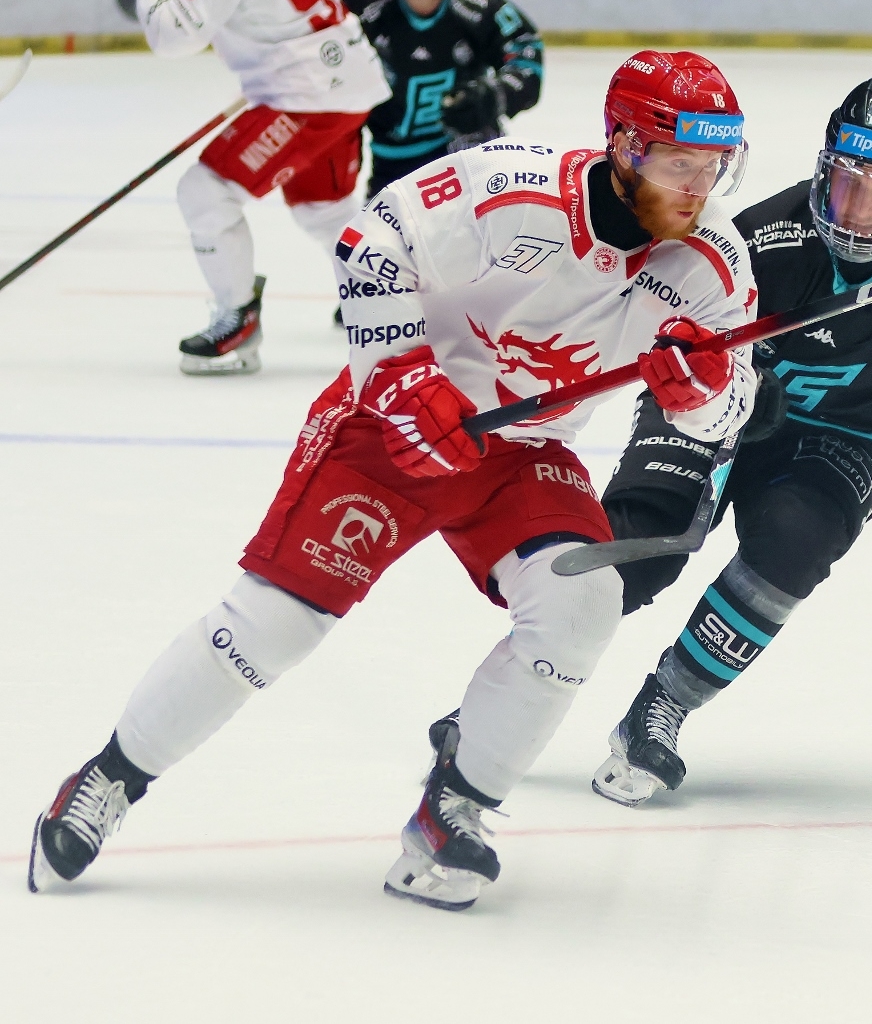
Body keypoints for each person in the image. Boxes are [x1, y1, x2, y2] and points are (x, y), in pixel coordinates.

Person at [27, 51, 758, 912]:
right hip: (395, 428)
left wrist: (701, 392)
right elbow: (371, 243)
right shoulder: (514, 187)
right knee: (277, 625)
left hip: (524, 453)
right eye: (680, 162)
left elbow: (730, 407)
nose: (698, 187)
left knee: (583, 604)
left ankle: (455, 808)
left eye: (715, 166)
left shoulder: (715, 261)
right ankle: (108, 778)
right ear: (625, 146)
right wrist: (405, 375)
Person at [577, 77, 872, 807]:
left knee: (794, 542)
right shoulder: (758, 240)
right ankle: (513, 692)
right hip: (714, 411)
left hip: (842, 440)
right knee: (637, 550)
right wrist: (722, 383)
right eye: (847, 184)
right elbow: (659, 332)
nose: (861, 211)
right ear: (821, 169)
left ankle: (662, 707)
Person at [112, 0, 391, 375]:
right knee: (323, 210)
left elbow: (173, 36)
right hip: (346, 78)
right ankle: (406, 300)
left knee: (205, 192)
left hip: (305, 96)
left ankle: (236, 320)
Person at [342, 0, 543, 201]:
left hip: (468, 162)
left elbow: (527, 51)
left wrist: (492, 97)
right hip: (393, 171)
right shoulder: (362, 9)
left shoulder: (476, 8)